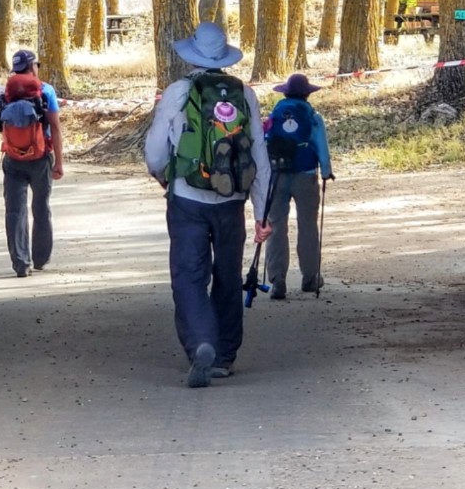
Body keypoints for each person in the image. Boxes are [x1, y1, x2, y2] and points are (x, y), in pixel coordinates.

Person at [143, 21, 271, 387]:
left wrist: (161, 174)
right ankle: (226, 356)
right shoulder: (244, 94)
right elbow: (258, 156)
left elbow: (155, 150)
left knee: (189, 275)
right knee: (227, 275)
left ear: (192, 54)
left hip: (187, 198)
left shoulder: (179, 91)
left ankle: (201, 342)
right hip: (232, 199)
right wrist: (262, 213)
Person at [260, 72, 333, 298]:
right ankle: (310, 277)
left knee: (275, 225)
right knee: (308, 226)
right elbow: (321, 145)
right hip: (305, 175)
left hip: (277, 175)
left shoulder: (275, 115)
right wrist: (327, 171)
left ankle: (277, 280)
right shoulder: (312, 116)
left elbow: (265, 142)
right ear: (307, 94)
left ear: (286, 93)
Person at [0, 48, 63, 277]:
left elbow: (0, 126)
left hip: (13, 159)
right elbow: (55, 127)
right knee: (41, 208)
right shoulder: (46, 91)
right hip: (40, 158)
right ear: (32, 66)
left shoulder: (5, 93)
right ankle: (41, 258)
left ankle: (21, 263)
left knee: (15, 211)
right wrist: (59, 163)